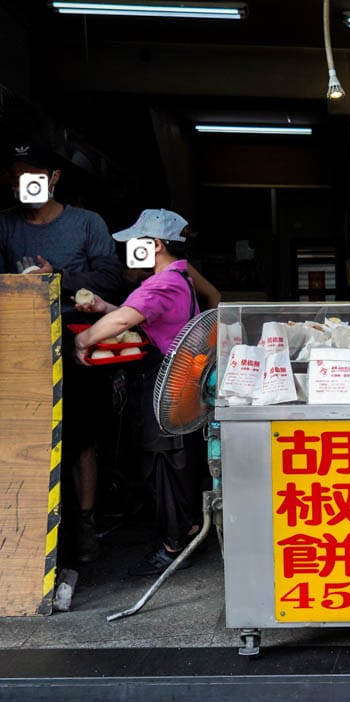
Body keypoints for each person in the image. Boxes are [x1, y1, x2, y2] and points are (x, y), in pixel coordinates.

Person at [0, 137, 125, 564]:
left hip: (78, 346)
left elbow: (112, 279)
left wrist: (60, 277)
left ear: (53, 178)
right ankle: (26, 527)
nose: (22, 186)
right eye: (15, 179)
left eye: (31, 177)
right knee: (25, 438)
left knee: (81, 439)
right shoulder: (5, 224)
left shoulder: (87, 223)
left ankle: (85, 525)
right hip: (20, 348)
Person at [73, 208, 206, 576]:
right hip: (173, 383)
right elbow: (136, 314)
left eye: (138, 242)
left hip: (163, 382)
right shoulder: (177, 280)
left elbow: (124, 321)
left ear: (157, 244)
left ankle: (174, 544)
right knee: (170, 463)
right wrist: (103, 306)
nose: (131, 249)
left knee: (164, 466)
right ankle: (185, 531)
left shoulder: (163, 283)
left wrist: (84, 338)